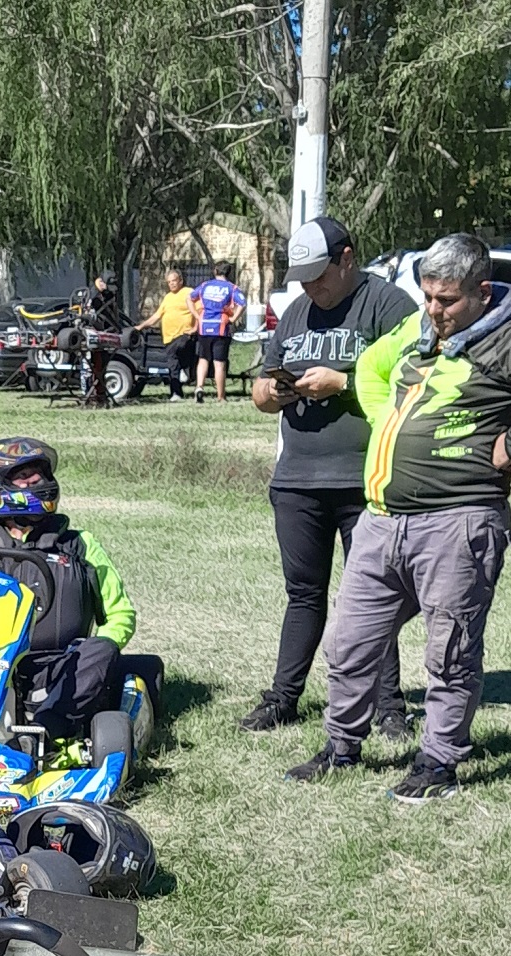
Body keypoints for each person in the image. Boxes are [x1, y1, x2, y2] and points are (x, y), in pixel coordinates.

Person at [288, 233, 511, 802]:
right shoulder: (419, 327)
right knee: (349, 642)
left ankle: (438, 763)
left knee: (450, 651)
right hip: (383, 520)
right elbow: (369, 365)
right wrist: (389, 418)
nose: (433, 310)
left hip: (458, 521)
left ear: (483, 292)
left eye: (447, 300)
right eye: (428, 296)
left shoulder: (507, 337)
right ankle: (342, 745)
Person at [243, 217, 416, 735]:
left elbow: (415, 383)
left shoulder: (387, 306)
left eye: (318, 275)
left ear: (347, 258)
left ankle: (389, 707)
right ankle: (283, 698)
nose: (310, 287)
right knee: (303, 594)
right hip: (297, 481)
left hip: (364, 480)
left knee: (374, 597)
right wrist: (272, 392)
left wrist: (343, 382)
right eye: (302, 278)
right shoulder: (296, 312)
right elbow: (259, 392)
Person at [0, 438, 137, 743]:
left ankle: (42, 734)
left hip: (58, 670)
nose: (37, 481)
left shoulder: (80, 546)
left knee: (102, 648)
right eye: (24, 476)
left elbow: (120, 614)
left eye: (40, 475)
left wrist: (97, 646)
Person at [135, 267, 197, 402]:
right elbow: (157, 316)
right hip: (169, 337)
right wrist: (141, 326)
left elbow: (199, 311)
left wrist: (195, 328)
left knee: (180, 350)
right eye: (169, 282)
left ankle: (185, 372)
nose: (171, 284)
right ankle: (176, 394)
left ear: (180, 280)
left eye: (174, 281)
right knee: (172, 366)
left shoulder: (189, 293)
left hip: (184, 334)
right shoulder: (168, 297)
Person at [190, 260, 245, 402]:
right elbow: (242, 303)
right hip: (220, 327)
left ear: (215, 271)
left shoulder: (205, 285)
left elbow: (189, 298)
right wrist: (234, 318)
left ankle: (199, 387)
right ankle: (221, 396)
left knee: (203, 359)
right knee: (219, 363)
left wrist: (197, 316)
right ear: (229, 273)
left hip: (204, 326)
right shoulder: (231, 288)